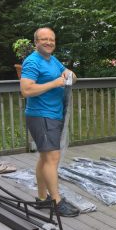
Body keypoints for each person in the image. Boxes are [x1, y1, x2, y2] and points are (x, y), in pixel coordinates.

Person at [19, 27, 79, 216]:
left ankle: (42, 198)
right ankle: (56, 201)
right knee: (52, 158)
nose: (49, 42)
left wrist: (70, 75)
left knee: (45, 158)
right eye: (44, 39)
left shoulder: (52, 60)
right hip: (41, 115)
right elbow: (26, 90)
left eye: (51, 39)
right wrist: (54, 83)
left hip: (53, 114)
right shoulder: (32, 62)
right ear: (36, 42)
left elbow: (70, 76)